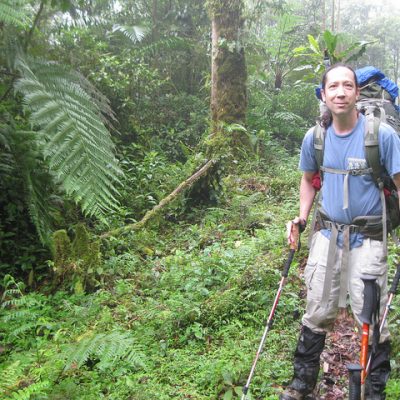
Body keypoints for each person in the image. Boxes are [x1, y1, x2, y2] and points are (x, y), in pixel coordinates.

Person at [280, 63, 400, 400]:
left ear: (357, 93)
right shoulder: (315, 137)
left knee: (371, 317)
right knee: (317, 309)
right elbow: (308, 180)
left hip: (370, 238)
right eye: (333, 87)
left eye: (347, 86)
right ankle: (302, 384)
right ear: (323, 94)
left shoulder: (382, 137)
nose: (341, 93)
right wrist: (300, 218)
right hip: (327, 236)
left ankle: (372, 390)